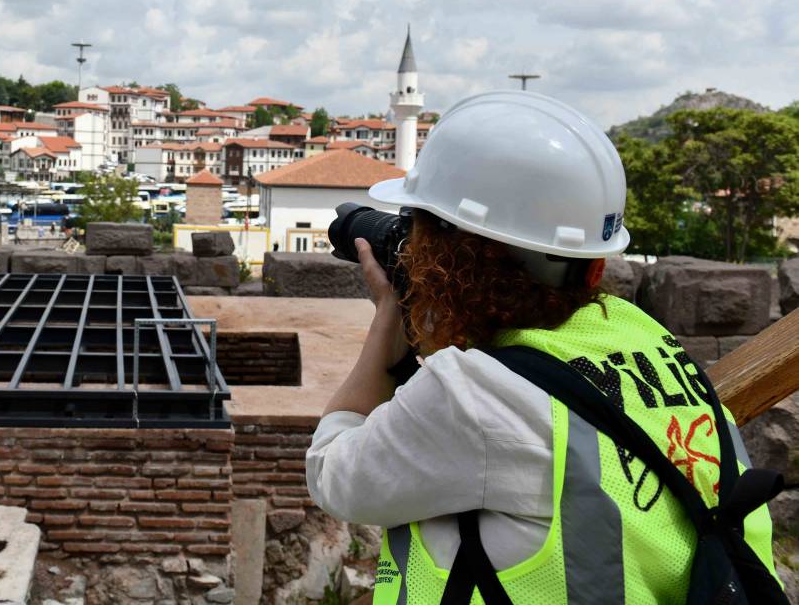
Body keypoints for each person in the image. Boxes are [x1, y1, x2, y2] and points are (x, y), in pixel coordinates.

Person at [306, 91, 781, 604]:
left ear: (454, 253)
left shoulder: (473, 393)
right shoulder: (646, 336)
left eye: (418, 227)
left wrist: (388, 323)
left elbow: (333, 473)